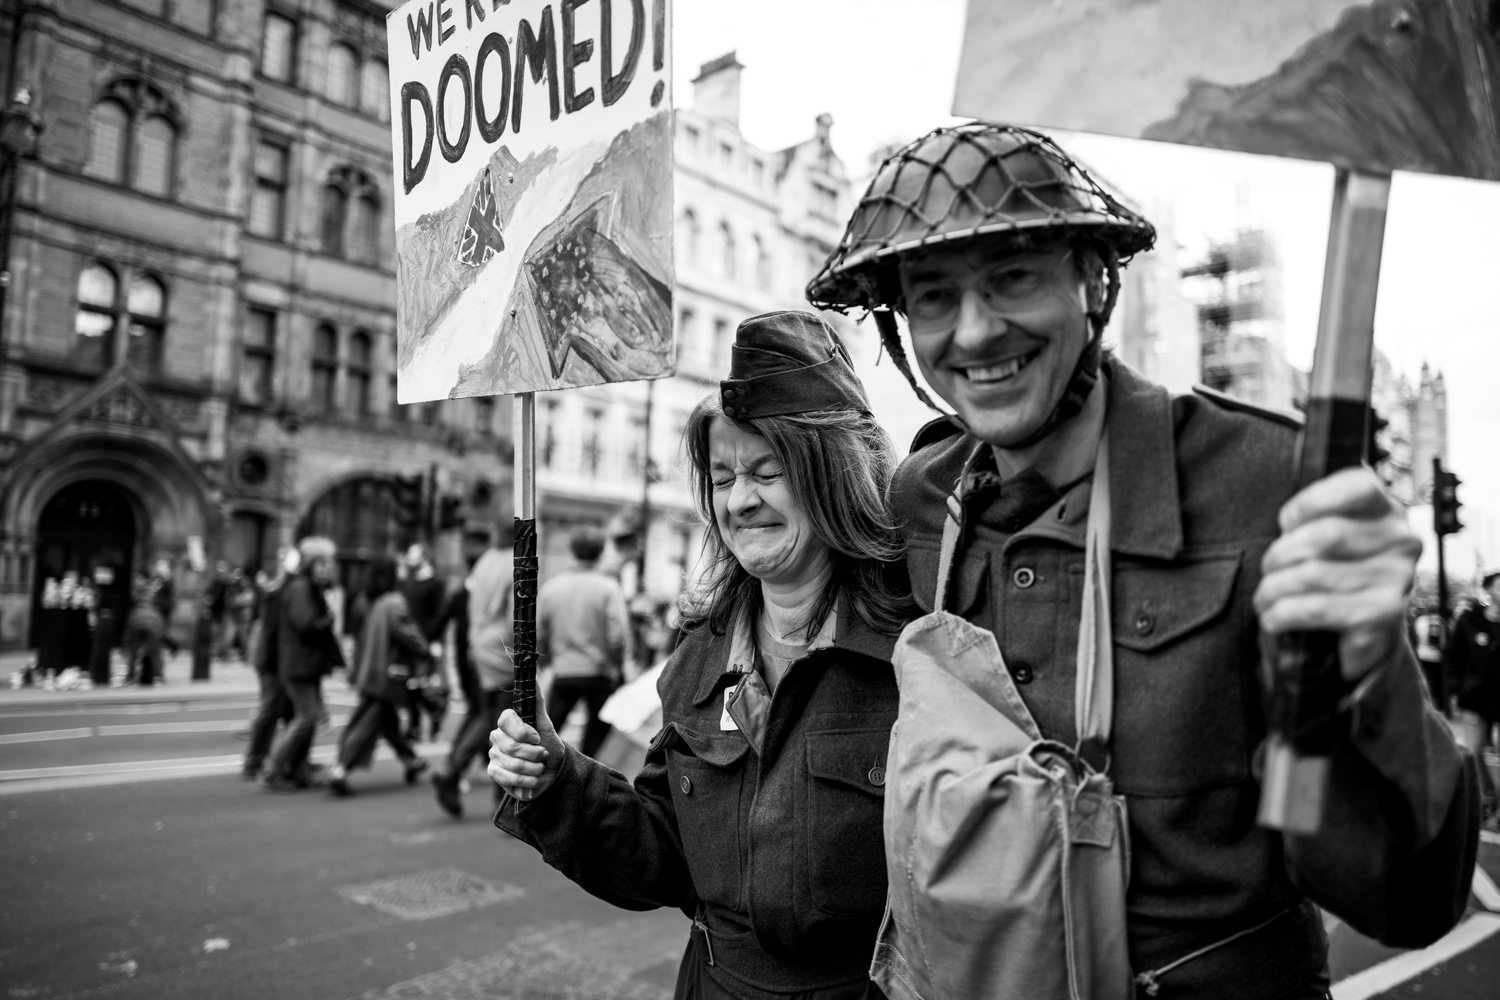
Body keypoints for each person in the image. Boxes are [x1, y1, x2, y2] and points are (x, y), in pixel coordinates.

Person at [802, 122, 1479, 1000]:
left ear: (1093, 282)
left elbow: (1406, 899)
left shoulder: (1266, 485)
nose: (972, 331)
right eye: (932, 295)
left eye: (1012, 276)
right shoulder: (924, 497)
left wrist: (1370, 665)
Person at [489, 310, 914, 999]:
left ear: (836, 474)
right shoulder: (702, 652)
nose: (740, 500)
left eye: (767, 472)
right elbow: (662, 855)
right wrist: (555, 781)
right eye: (722, 478)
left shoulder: (915, 648)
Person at [327, 555, 431, 797]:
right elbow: (411, 636)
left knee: (387, 721)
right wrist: (426, 651)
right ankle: (340, 770)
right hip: (386, 674)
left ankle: (411, 760)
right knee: (366, 724)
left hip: (367, 670)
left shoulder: (365, 601)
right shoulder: (394, 603)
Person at [431, 522, 515, 819]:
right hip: (502, 651)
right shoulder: (515, 563)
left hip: (478, 646)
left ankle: (452, 772)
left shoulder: (485, 562)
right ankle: (501, 799)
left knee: (486, 715)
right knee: (505, 722)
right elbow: (517, 617)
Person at [535, 525, 629, 759]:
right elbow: (617, 637)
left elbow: (539, 633)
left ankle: (537, 775)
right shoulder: (608, 589)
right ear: (599, 554)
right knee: (596, 736)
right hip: (599, 672)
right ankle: (586, 780)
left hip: (565, 670)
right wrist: (616, 665)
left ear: (572, 551)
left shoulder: (550, 589)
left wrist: (547, 662)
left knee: (549, 729)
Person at [260, 537, 345, 792]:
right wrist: (329, 617)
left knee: (309, 719)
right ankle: (272, 769)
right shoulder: (300, 588)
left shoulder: (311, 588)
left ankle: (298, 769)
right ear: (310, 564)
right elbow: (305, 625)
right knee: (305, 717)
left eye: (330, 563)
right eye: (323, 563)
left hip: (307, 664)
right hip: (298, 664)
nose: (328, 567)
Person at [1444, 571, 1500, 827]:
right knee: (1473, 752)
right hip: (1475, 698)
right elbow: (1453, 657)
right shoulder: (1470, 621)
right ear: (1488, 591)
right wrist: (1455, 690)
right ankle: (1487, 799)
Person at [242, 548, 298, 781]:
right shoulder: (279, 589)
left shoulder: (279, 588)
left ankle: (292, 761)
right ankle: (255, 761)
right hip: (272, 659)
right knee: (271, 709)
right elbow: (272, 630)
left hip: (274, 658)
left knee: (289, 711)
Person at [400, 542, 449, 743]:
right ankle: (415, 725)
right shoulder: (409, 582)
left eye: (413, 555)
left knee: (423, 685)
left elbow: (439, 615)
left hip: (427, 641)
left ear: (424, 557)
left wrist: (435, 641)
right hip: (410, 641)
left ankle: (434, 711)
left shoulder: (435, 583)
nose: (409, 559)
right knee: (411, 685)